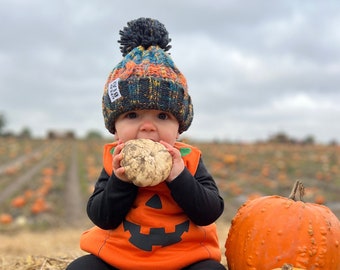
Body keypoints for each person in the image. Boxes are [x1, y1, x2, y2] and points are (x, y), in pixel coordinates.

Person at [67, 17, 225, 270]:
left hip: (182, 260)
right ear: (115, 129)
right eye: (132, 115)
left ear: (179, 128)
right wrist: (121, 181)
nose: (148, 126)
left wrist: (180, 177)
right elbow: (102, 218)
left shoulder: (189, 161)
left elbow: (209, 212)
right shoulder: (114, 162)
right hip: (118, 259)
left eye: (162, 116)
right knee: (81, 268)